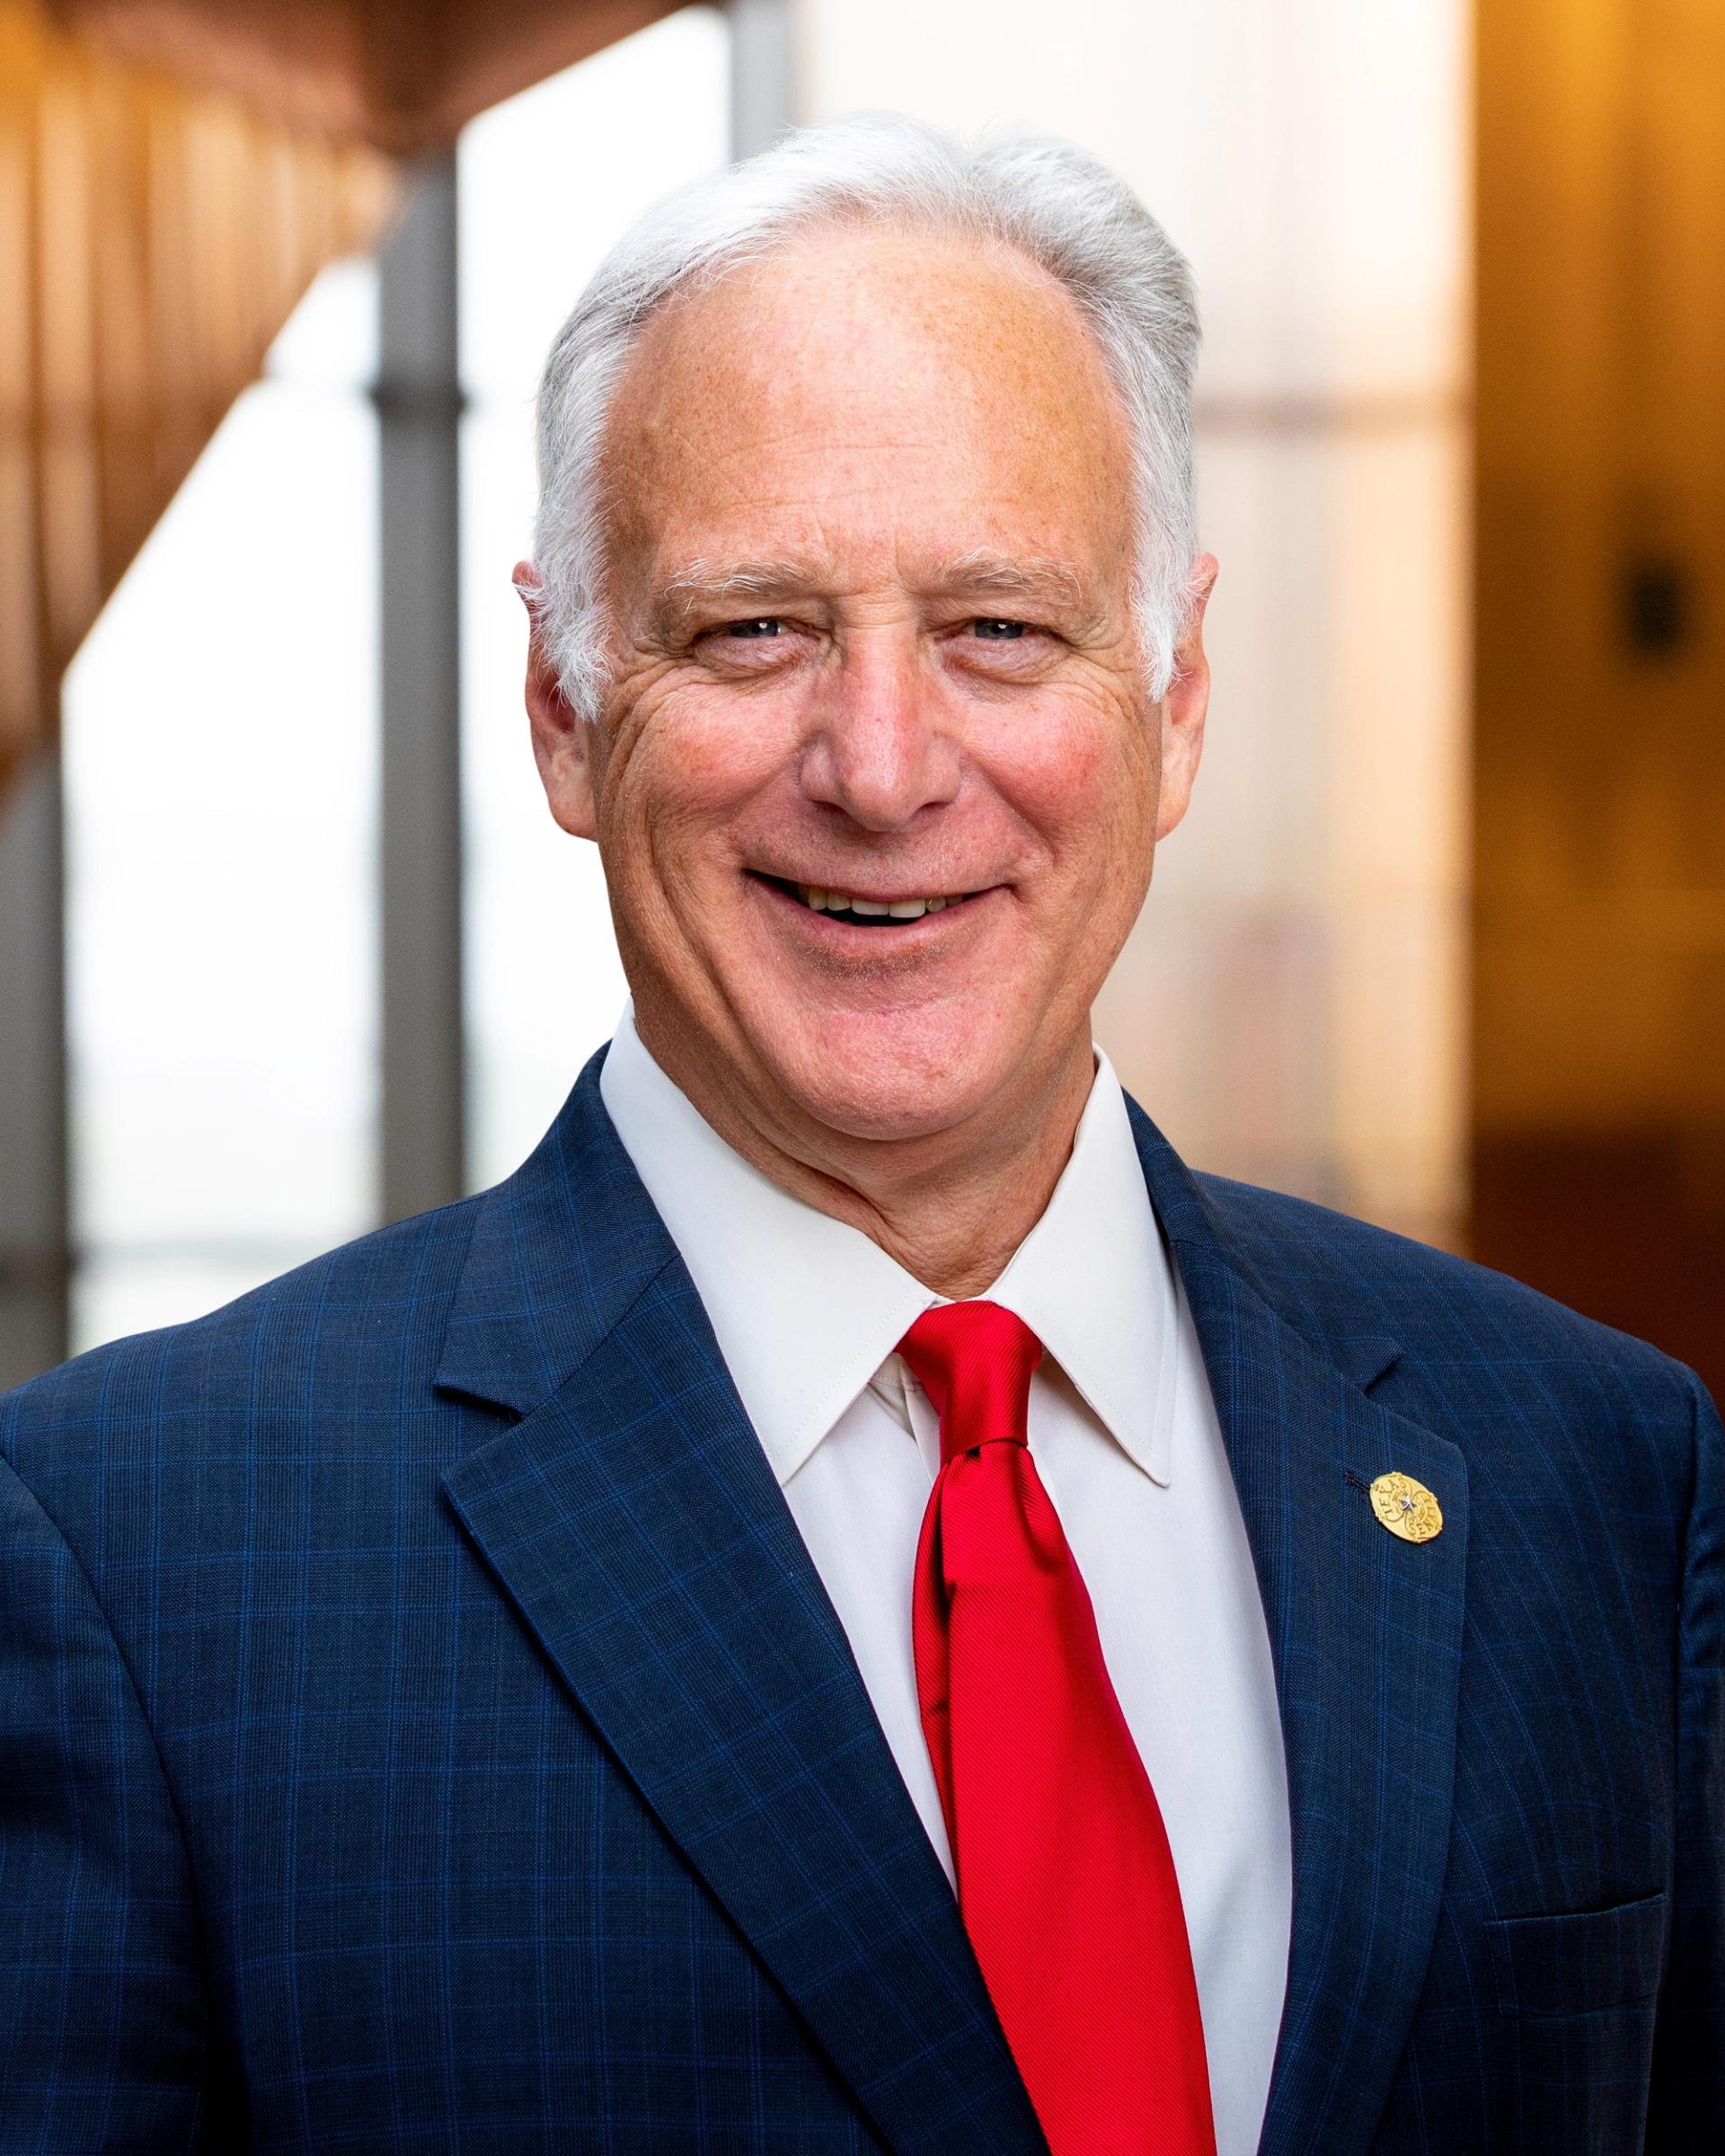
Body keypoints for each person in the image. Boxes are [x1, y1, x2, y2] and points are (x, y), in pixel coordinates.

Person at [0, 114, 1718, 2156]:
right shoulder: (141, 1557)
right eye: (753, 630)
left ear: (1174, 698)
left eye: (1001, 625)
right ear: (564, 708)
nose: (885, 771)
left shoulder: (1590, 1476)